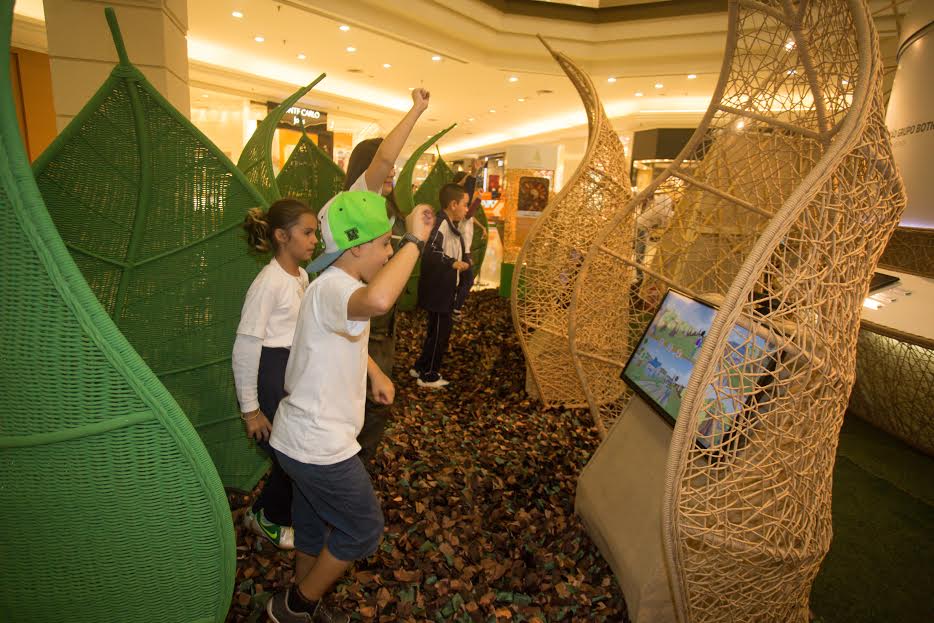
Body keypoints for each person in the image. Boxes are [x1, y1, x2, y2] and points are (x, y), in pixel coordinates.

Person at [264, 191, 435, 623]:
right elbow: (378, 301)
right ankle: (295, 605)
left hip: (297, 438)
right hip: (318, 445)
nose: (389, 252)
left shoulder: (333, 287)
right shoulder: (335, 289)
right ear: (357, 247)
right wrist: (414, 241)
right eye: (385, 243)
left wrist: (375, 373)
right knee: (363, 528)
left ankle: (303, 606)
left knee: (311, 526)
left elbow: (338, 337)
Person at [233, 199, 319, 549]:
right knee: (288, 455)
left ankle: (271, 511)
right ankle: (265, 517)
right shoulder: (268, 282)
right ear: (282, 236)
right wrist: (251, 410)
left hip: (291, 372)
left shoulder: (302, 275)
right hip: (271, 373)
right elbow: (245, 346)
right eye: (307, 232)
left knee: (295, 451)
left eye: (315, 232)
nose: (314, 240)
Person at [410, 183, 470, 388]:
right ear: (453, 204)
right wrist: (451, 262)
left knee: (435, 332)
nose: (466, 209)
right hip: (439, 291)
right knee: (439, 334)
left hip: (442, 290)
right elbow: (430, 250)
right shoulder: (441, 224)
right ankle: (429, 375)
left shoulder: (448, 223)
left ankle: (421, 366)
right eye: (465, 204)